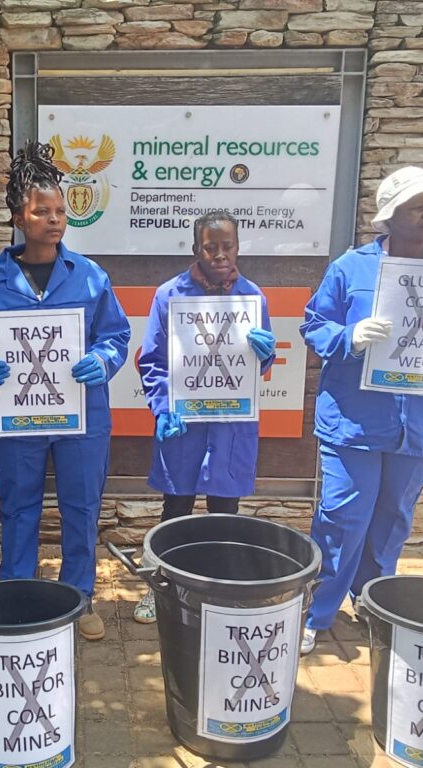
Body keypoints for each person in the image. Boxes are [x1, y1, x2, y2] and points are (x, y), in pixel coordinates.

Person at [300, 166, 423, 654]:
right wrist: (348, 338)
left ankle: (372, 603)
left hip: (422, 423)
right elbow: (314, 324)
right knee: (343, 515)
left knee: (392, 520)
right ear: (391, 216)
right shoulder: (351, 269)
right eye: (417, 206)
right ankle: (317, 612)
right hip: (355, 420)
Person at [0, 140, 131, 641]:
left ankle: (79, 599)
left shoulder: (90, 277)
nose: (55, 219)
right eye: (43, 211)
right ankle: (18, 597)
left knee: (81, 507)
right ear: (20, 216)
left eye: (60, 210)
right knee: (19, 506)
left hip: (82, 417)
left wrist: (102, 360)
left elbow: (116, 335)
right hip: (18, 419)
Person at [133, 211, 277, 623]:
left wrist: (264, 356)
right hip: (184, 422)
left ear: (237, 247)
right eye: (210, 246)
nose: (218, 254)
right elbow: (153, 361)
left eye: (226, 246)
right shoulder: (169, 295)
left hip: (231, 425)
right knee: (175, 511)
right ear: (196, 247)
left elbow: (259, 369)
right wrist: (161, 409)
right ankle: (161, 589)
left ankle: (216, 592)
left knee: (223, 513)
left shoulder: (252, 298)